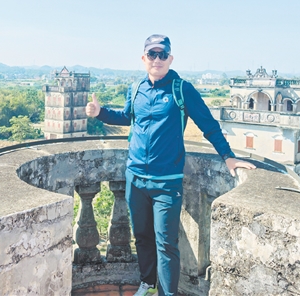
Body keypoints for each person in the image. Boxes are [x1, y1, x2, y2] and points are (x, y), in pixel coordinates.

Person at [85, 34, 256, 296]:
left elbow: (208, 124)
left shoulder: (181, 89)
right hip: (136, 177)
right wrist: (100, 113)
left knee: (166, 244)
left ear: (170, 58)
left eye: (162, 55)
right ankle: (146, 281)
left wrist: (228, 156)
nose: (157, 59)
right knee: (141, 236)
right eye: (152, 55)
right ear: (144, 59)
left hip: (167, 182)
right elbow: (127, 117)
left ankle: (167, 293)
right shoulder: (136, 88)